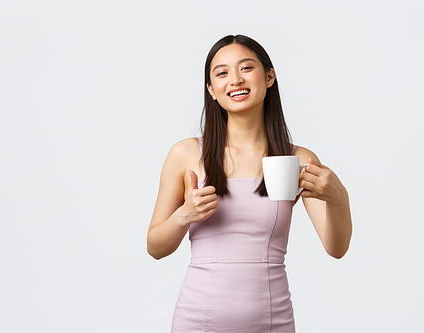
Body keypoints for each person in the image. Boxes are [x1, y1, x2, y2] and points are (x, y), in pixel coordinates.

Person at [147, 34, 352, 332]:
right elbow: (154, 247)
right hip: (198, 323)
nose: (235, 80)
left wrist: (338, 198)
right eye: (222, 73)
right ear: (211, 90)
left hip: (274, 322)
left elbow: (337, 247)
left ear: (269, 77)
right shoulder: (187, 154)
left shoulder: (296, 159)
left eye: (246, 68)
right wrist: (184, 216)